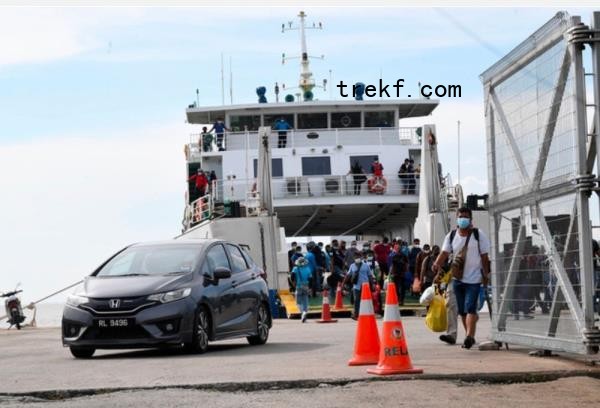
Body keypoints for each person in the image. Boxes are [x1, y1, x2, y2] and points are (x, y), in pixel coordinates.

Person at [432, 207, 491, 349]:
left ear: (471, 219)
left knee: (470, 307)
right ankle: (468, 336)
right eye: (461, 217)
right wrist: (436, 264)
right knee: (461, 310)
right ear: (457, 219)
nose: (463, 219)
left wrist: (486, 275)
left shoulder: (478, 235)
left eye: (466, 217)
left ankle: (469, 336)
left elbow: (484, 257)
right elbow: (445, 253)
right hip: (457, 278)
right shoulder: (451, 235)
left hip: (474, 279)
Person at [344, 252, 374, 319]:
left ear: (361, 257)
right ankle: (356, 315)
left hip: (365, 286)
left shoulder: (366, 265)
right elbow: (348, 275)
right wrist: (343, 284)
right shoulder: (352, 266)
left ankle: (367, 314)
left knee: (366, 301)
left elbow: (370, 276)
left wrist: (372, 284)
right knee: (356, 300)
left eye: (358, 257)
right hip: (356, 286)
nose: (357, 258)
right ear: (354, 258)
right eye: (355, 257)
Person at [291, 257, 312, 322]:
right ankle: (305, 312)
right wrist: (310, 288)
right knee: (305, 300)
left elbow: (292, 277)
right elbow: (311, 279)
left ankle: (302, 313)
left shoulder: (295, 268)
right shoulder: (308, 269)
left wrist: (293, 284)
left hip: (298, 286)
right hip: (306, 286)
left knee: (298, 302)